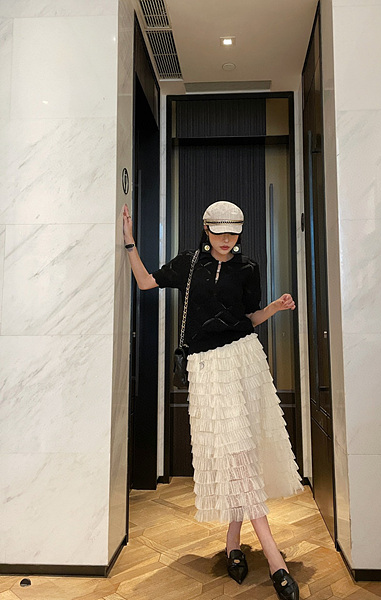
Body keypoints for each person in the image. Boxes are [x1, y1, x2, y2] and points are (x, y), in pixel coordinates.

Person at [122, 200, 303, 600]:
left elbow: (249, 318)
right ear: (206, 229)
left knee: (244, 449)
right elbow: (146, 282)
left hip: (246, 359)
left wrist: (275, 308)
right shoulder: (188, 264)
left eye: (233, 233)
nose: (226, 240)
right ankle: (274, 559)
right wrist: (130, 244)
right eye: (219, 232)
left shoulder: (248, 267)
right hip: (207, 366)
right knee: (232, 451)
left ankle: (235, 543)